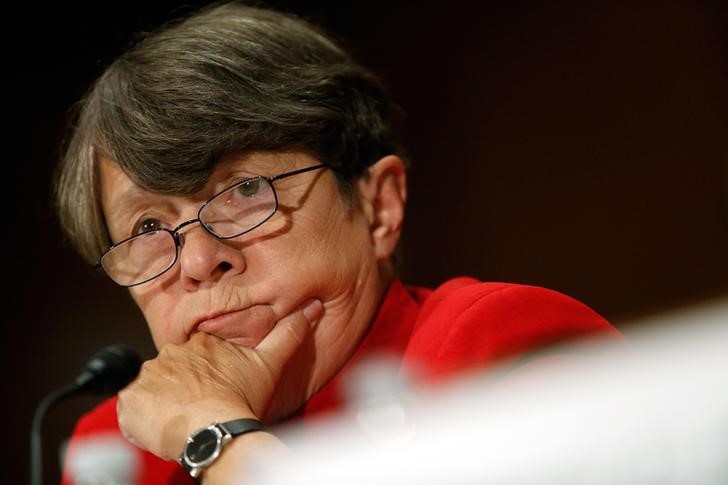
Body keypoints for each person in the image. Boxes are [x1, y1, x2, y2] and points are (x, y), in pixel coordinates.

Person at [55, 2, 623, 484]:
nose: (201, 261)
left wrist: (216, 439)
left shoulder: (497, 349)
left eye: (245, 190)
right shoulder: (117, 449)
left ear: (379, 207)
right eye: (148, 228)